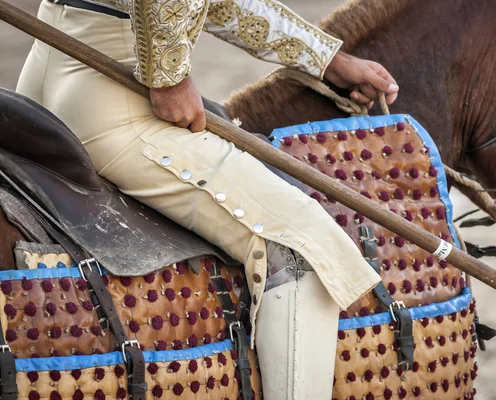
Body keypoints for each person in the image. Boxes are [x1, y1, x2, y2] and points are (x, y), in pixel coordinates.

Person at [16, 0, 399, 398]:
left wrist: (324, 59)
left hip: (49, 68)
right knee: (302, 249)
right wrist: (169, 77)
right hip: (113, 97)